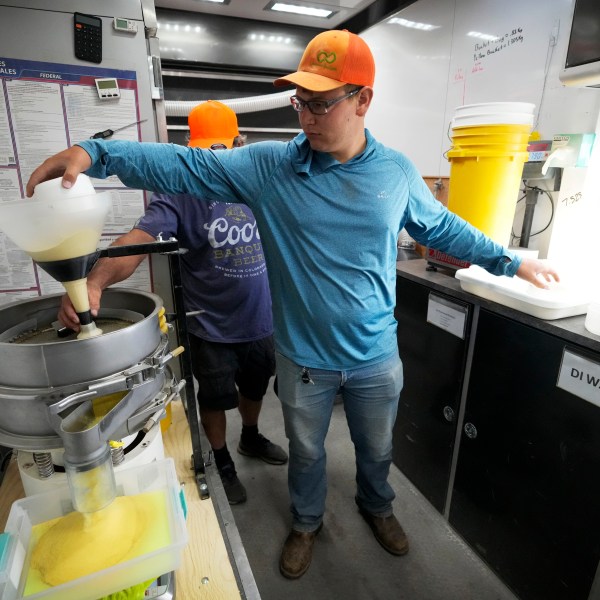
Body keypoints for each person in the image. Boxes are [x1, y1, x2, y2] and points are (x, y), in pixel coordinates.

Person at [27, 30, 559, 580]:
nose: (306, 117)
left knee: (376, 450)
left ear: (363, 100)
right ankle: (306, 521)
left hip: (376, 356)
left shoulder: (396, 173)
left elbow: (444, 226)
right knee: (306, 452)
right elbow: (182, 167)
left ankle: (377, 505)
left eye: (322, 102)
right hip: (305, 360)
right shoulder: (270, 168)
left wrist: (511, 262)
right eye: (300, 101)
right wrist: (97, 152)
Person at [57, 100, 288, 506]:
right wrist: (94, 282)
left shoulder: (263, 184)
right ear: (189, 146)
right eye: (206, 150)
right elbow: (137, 240)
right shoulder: (182, 190)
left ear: (240, 141)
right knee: (214, 398)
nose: (216, 158)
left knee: (256, 387)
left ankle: (250, 437)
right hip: (211, 328)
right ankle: (221, 460)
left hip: (259, 322)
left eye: (224, 148)